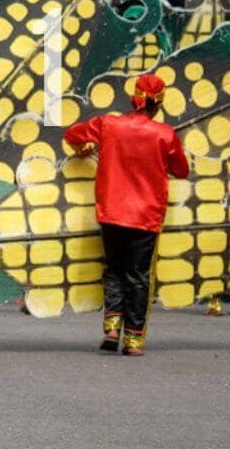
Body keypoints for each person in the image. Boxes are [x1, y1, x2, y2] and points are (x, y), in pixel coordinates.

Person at [64, 73, 190, 356]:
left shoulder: (109, 124)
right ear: (159, 104)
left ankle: (112, 328)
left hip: (111, 211)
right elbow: (182, 170)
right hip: (146, 215)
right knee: (138, 275)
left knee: (114, 268)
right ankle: (133, 339)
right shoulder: (165, 134)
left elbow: (72, 135)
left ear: (134, 98)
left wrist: (84, 149)